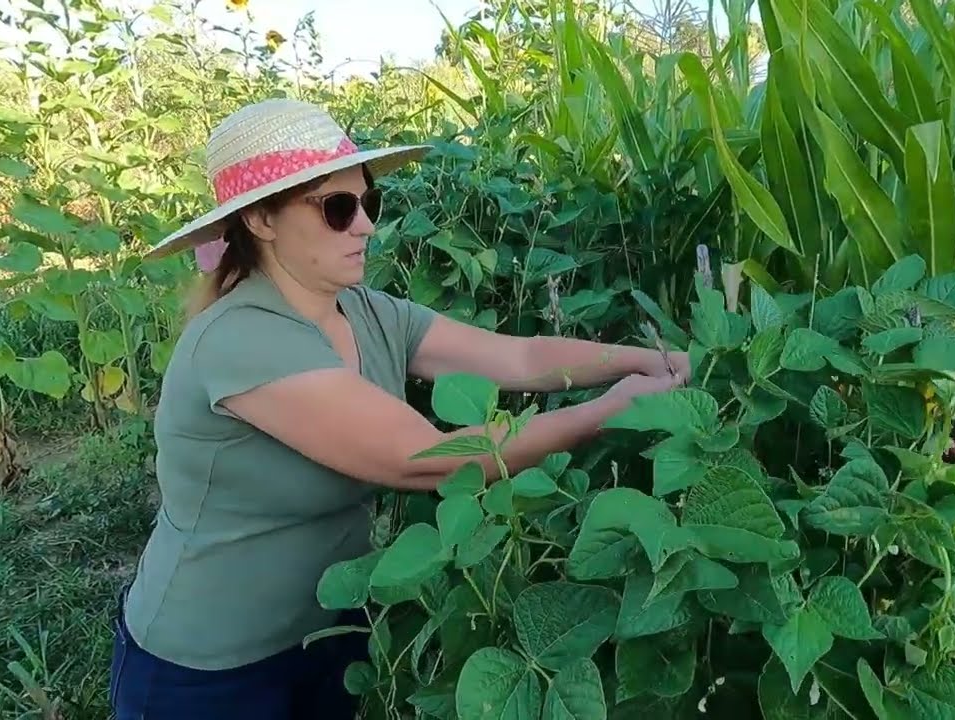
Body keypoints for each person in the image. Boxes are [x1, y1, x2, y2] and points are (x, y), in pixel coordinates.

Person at [107, 98, 689, 719]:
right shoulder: (242, 338)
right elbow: (426, 461)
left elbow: (519, 359)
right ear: (261, 219)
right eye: (337, 208)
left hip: (328, 634)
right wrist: (609, 410)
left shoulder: (368, 313)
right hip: (208, 670)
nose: (365, 225)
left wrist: (638, 359)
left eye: (368, 202)